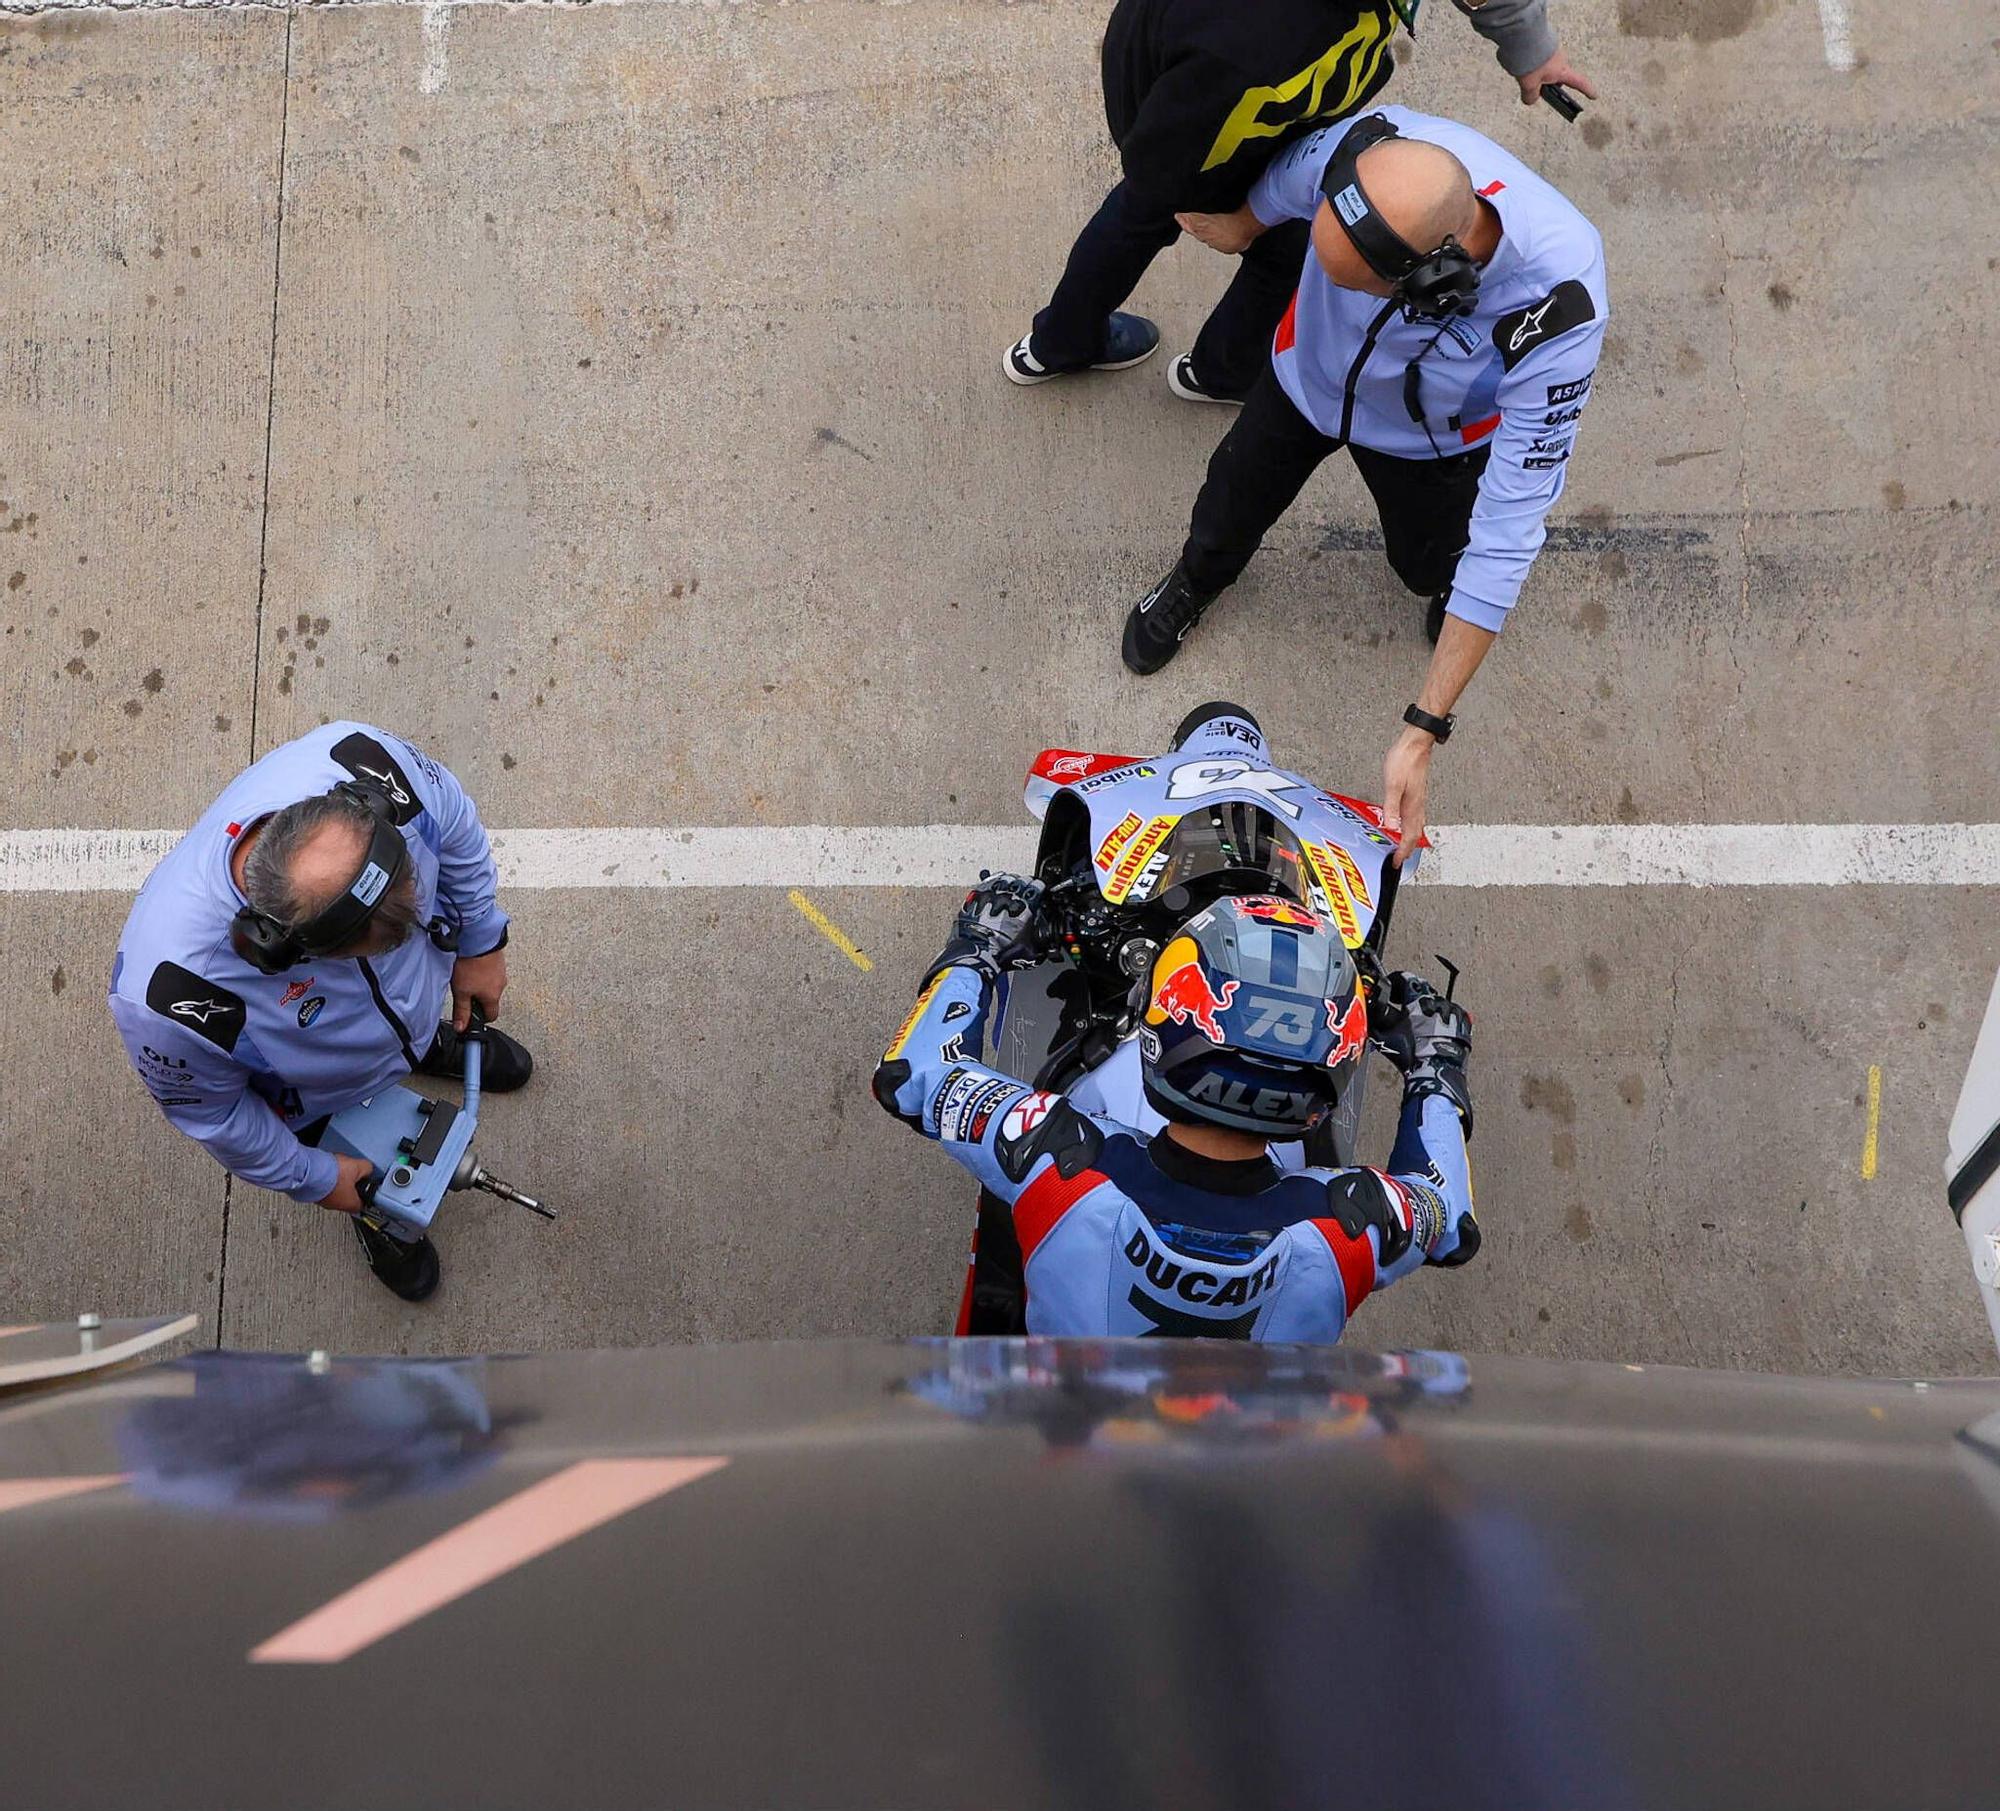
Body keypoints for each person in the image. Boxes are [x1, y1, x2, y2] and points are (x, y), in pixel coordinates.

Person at [1121, 105, 1608, 867]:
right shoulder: (1366, 146)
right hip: (1304, 380)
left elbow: (1511, 528)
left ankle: (1438, 590)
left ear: (1438, 278)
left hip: (1428, 440)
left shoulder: (1560, 307)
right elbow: (1289, 177)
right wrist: (1247, 225)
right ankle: (1195, 581)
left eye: (1364, 290)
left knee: (1429, 561)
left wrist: (1426, 725)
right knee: (1229, 499)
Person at [873, 878, 1477, 1340]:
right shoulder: (1357, 1223)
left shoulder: (1056, 1155)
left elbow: (911, 1076)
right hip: (1250, 1489)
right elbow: (1449, 1221)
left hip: (1061, 1464)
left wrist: (977, 949)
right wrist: (1436, 1065)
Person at [109, 722, 531, 1302]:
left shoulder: (365, 758)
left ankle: (425, 1044)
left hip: (402, 1010)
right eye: (377, 946)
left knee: (408, 1014)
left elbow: (454, 821)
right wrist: (317, 1177)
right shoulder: (167, 995)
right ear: (281, 950)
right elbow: (220, 1116)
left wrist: (481, 939)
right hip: (309, 1093)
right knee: (366, 1177)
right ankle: (384, 1218)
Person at [1004, 0, 1594, 402]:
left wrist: (1529, 46)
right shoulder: (1270, 50)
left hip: (1163, 59)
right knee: (1280, 240)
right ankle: (1221, 372)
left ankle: (1059, 343)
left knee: (1139, 208)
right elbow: (1180, 152)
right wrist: (1242, 218)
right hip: (1210, 115)